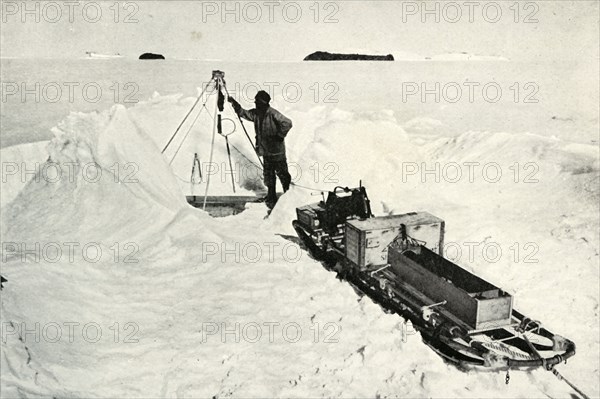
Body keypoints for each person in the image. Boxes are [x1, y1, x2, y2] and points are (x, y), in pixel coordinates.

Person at [228, 91, 293, 208]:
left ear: (264, 102)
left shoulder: (273, 113)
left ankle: (288, 198)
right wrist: (235, 104)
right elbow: (244, 113)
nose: (255, 103)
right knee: (269, 176)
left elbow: (287, 123)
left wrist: (280, 135)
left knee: (283, 175)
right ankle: (271, 197)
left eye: (257, 101)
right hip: (266, 152)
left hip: (277, 153)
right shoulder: (257, 114)